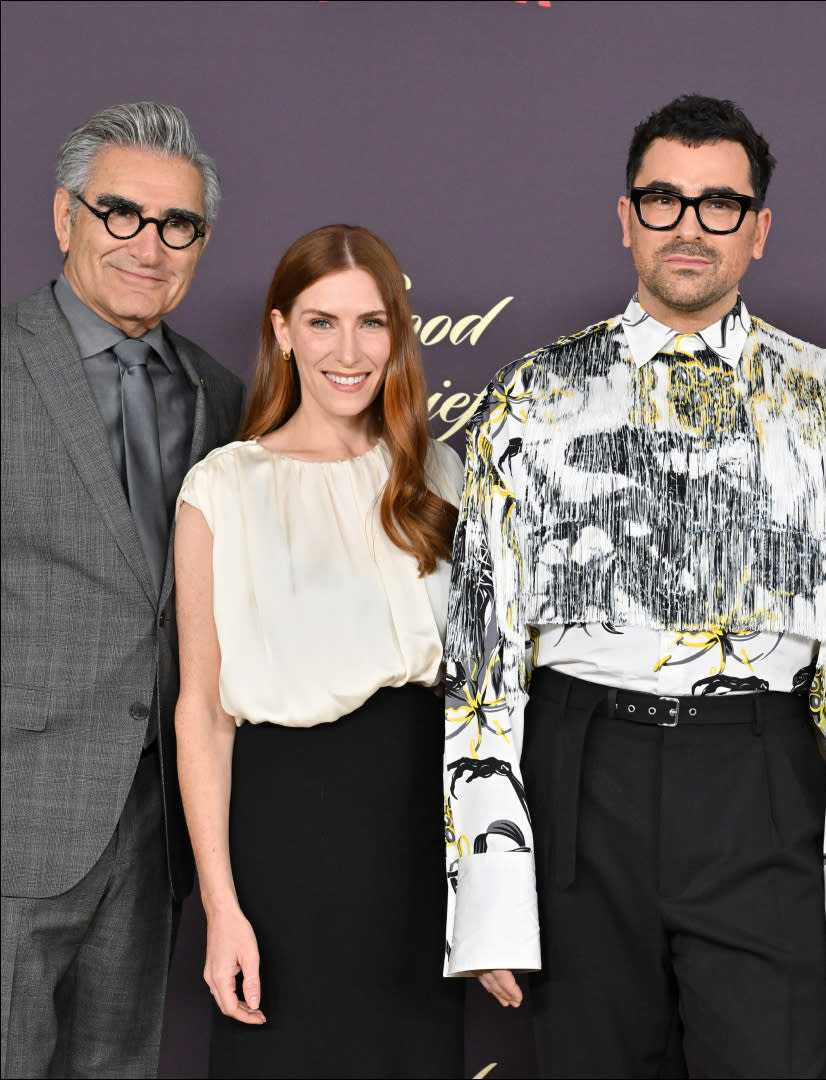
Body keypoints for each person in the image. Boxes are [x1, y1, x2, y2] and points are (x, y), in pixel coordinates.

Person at [441, 93, 826, 1077]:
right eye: (663, 200)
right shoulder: (530, 399)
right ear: (625, 219)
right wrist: (486, 890)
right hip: (582, 784)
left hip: (762, 787)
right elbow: (481, 657)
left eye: (719, 204)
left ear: (759, 230)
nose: (690, 227)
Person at [174, 224, 466, 1078]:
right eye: (321, 322)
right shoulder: (224, 486)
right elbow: (202, 712)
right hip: (285, 839)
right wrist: (222, 908)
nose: (349, 349)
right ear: (281, 332)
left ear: (397, 335)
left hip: (420, 838)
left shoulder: (440, 477)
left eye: (372, 323)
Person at [1, 102, 244, 1078]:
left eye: (176, 223)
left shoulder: (223, 396)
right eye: (122, 215)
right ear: (65, 218)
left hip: (154, 838)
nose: (150, 244)